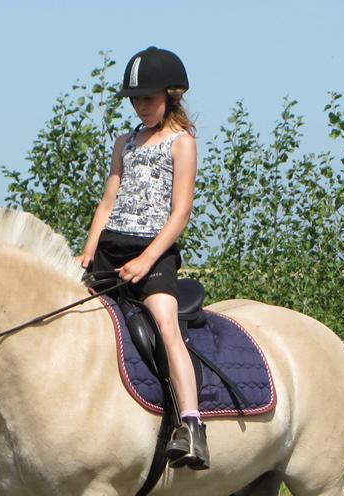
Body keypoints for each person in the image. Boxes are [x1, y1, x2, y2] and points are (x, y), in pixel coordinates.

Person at [80, 46, 208, 470]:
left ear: (171, 96)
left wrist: (147, 260)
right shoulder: (124, 143)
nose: (141, 106)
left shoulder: (181, 143)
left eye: (148, 99)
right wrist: (87, 250)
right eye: (135, 99)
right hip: (110, 246)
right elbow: (107, 202)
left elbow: (180, 212)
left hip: (154, 252)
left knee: (166, 323)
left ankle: (191, 426)